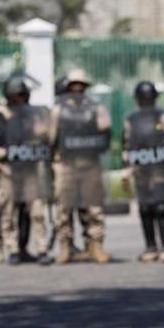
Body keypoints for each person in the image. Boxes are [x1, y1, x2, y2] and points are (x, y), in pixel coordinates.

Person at [0, 76, 53, 265]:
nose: (20, 99)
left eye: (22, 95)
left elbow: (46, 135)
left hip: (31, 171)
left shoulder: (34, 115)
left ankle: (41, 248)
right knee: (8, 213)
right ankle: (11, 249)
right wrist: (4, 153)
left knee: (37, 212)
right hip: (8, 172)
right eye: (16, 96)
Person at [50, 69, 114, 264]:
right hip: (66, 165)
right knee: (64, 208)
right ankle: (65, 246)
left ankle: (95, 246)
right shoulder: (58, 109)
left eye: (81, 84)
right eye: (74, 84)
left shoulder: (97, 108)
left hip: (90, 164)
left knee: (94, 208)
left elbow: (106, 132)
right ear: (68, 87)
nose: (77, 88)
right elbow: (51, 137)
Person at [122, 80, 164, 262]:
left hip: (159, 168)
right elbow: (126, 143)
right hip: (141, 170)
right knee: (145, 208)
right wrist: (128, 167)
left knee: (161, 207)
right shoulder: (131, 119)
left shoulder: (163, 117)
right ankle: (150, 247)